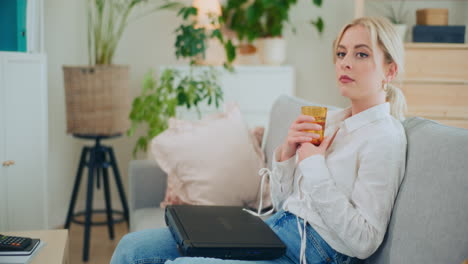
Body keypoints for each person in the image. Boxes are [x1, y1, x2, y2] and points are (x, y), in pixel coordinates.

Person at [110, 16, 407, 264]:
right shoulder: (331, 122)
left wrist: (314, 166)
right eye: (341, 53)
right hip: (274, 229)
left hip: (310, 253)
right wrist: (287, 155)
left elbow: (364, 241)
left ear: (390, 71)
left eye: (361, 54)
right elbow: (281, 203)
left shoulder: (384, 138)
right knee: (132, 248)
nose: (345, 63)